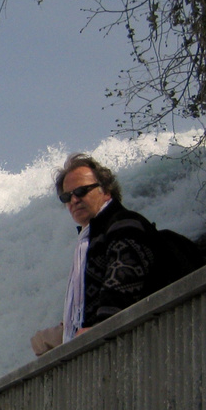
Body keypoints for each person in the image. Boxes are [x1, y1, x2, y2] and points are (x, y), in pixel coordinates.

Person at [31, 153, 171, 356]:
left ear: (106, 191)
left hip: (140, 347)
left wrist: (102, 325)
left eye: (81, 191)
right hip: (117, 342)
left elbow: (123, 279)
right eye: (67, 196)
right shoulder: (91, 238)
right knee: (41, 341)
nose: (74, 200)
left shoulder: (123, 224)